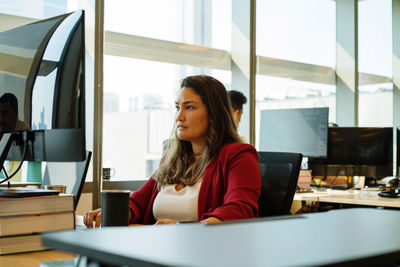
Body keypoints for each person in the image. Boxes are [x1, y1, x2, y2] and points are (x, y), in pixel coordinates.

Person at [84, 75, 261, 227]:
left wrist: (185, 229)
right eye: (178, 107)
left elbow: (240, 209)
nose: (179, 117)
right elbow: (140, 201)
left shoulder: (239, 156)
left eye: (189, 107)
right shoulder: (172, 158)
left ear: (214, 113)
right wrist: (113, 214)